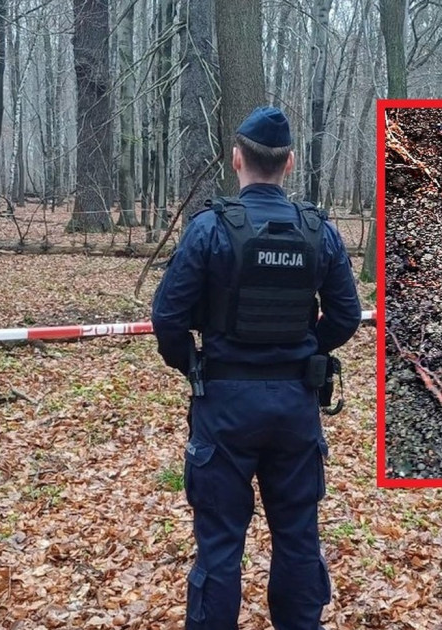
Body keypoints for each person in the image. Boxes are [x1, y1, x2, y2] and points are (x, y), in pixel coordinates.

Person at [150, 106, 362, 630]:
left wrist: (194, 366)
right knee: (297, 537)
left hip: (224, 407)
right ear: (289, 164)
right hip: (294, 408)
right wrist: (310, 348)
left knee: (220, 546)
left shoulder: (209, 230)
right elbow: (347, 315)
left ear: (237, 158)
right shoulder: (320, 233)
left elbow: (167, 317)